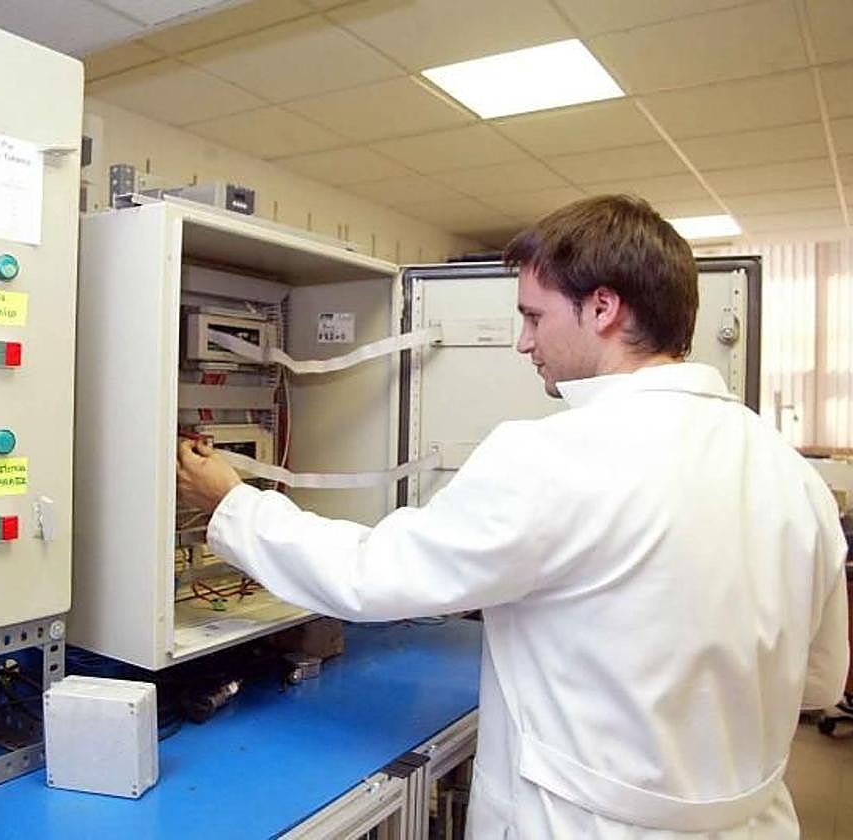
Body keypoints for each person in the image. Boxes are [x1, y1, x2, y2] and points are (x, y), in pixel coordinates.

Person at [176, 195, 849, 838]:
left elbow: (373, 575)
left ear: (603, 308)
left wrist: (231, 502)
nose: (524, 343)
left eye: (533, 316)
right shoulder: (792, 473)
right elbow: (819, 681)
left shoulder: (554, 457)